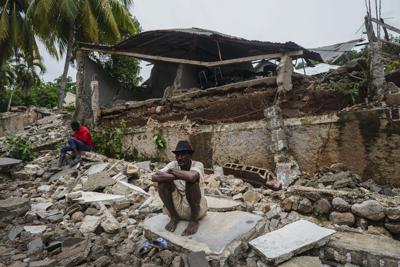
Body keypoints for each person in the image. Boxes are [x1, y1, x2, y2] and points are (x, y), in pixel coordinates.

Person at [152, 140, 208, 236]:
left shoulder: (198, 164)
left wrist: (172, 173)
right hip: (176, 206)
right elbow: (154, 177)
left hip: (194, 209)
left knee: (192, 183)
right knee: (162, 183)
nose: (179, 158)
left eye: (183, 155)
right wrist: (178, 175)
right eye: (177, 155)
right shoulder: (173, 165)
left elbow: (192, 177)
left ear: (190, 155)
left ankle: (194, 221)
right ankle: (174, 217)